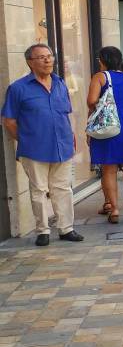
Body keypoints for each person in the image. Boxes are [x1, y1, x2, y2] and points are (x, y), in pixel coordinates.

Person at [1, 44, 84, 245]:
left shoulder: (60, 83)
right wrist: (26, 139)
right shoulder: (18, 88)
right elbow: (9, 121)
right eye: (41, 57)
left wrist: (71, 136)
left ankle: (66, 228)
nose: (48, 60)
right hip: (34, 149)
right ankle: (43, 231)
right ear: (30, 62)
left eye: (49, 56)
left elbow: (66, 113)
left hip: (62, 145)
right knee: (38, 190)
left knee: (62, 188)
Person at [87, 46, 123, 224]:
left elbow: (91, 101)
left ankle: (114, 209)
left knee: (109, 169)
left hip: (109, 126)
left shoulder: (100, 77)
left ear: (102, 60)